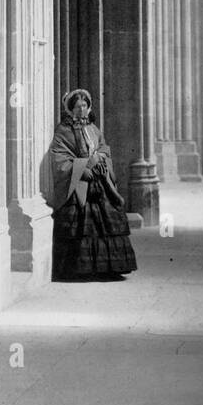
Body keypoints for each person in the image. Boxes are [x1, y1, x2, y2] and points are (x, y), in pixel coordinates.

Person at [48, 89, 137, 281]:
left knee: (106, 220)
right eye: (77, 106)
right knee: (79, 225)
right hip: (78, 184)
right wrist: (80, 170)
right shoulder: (63, 130)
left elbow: (104, 148)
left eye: (84, 105)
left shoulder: (94, 129)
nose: (82, 109)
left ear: (89, 108)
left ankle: (107, 268)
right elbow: (59, 157)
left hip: (98, 181)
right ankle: (80, 270)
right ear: (70, 109)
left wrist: (101, 161)